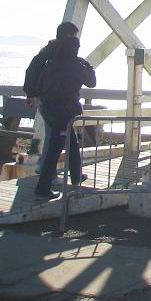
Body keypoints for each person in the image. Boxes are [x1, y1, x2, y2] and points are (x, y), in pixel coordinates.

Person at [33, 34, 96, 200]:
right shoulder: (76, 66)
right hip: (64, 111)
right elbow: (91, 82)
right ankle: (43, 188)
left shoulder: (50, 64)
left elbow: (39, 87)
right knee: (55, 149)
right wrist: (89, 66)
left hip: (48, 109)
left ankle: (76, 177)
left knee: (71, 142)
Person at [24, 22, 79, 167]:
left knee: (54, 136)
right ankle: (45, 171)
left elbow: (31, 71)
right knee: (55, 138)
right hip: (56, 101)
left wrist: (30, 94)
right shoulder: (63, 52)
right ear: (69, 35)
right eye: (74, 35)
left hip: (43, 98)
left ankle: (70, 173)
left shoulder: (46, 50)